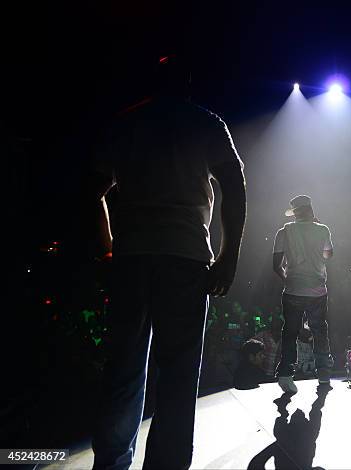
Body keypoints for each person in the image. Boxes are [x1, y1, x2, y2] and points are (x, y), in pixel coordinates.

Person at [89, 54, 246, 470]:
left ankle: (111, 462)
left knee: (122, 370)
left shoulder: (125, 123)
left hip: (131, 258)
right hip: (185, 258)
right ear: (189, 84)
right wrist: (229, 257)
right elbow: (235, 186)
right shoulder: (206, 122)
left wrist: (106, 248)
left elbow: (91, 190)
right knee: (177, 375)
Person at [272, 195, 334, 393]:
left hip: (293, 291)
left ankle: (285, 374)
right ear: (311, 211)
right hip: (317, 291)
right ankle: (323, 375)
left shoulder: (284, 232)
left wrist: (288, 279)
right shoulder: (323, 230)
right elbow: (328, 255)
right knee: (319, 331)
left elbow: (276, 265)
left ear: (295, 214)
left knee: (290, 332)